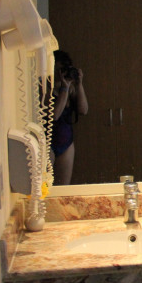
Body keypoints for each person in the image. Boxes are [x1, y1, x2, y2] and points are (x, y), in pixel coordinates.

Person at [50, 50, 88, 185]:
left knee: (63, 187)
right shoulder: (45, 89)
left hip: (66, 142)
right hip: (49, 142)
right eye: (60, 69)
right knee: (46, 185)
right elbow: (55, 115)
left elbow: (83, 110)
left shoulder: (71, 88)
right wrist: (64, 90)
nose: (63, 73)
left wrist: (79, 84)